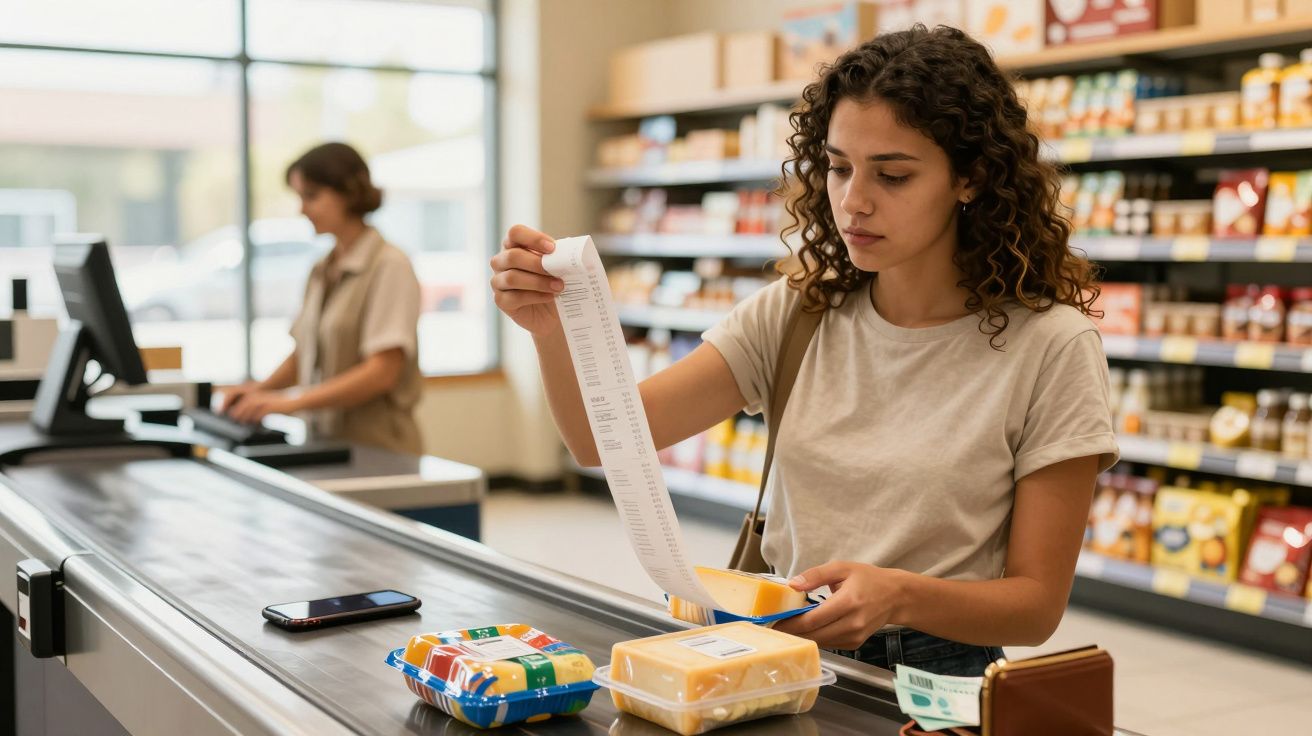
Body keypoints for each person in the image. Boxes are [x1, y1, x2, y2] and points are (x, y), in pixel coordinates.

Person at [490, 25, 1119, 677]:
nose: (853, 201)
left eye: (893, 175)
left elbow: (1036, 607)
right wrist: (549, 330)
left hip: (937, 676)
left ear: (971, 177)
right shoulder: (797, 313)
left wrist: (899, 595)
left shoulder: (1051, 347)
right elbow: (602, 441)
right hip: (780, 654)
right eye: (839, 166)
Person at [223, 142, 424, 456]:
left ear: (348, 193)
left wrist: (292, 401)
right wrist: (259, 392)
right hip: (326, 444)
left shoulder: (389, 266)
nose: (302, 209)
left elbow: (382, 372)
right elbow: (303, 354)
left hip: (380, 451)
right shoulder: (321, 269)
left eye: (311, 196)